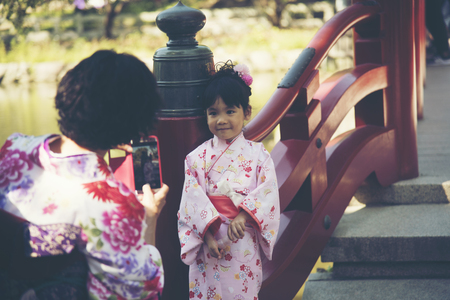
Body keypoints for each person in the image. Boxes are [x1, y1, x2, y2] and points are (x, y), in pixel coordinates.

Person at [0, 50, 169, 299]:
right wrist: (150, 217)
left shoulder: (14, 148)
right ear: (135, 123)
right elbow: (141, 290)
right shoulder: (113, 204)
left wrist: (112, 139)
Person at [177, 61, 280, 299]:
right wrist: (208, 235)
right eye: (213, 112)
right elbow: (191, 202)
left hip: (242, 237)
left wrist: (243, 216)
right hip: (208, 240)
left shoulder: (258, 155)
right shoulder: (196, 158)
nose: (221, 119)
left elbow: (268, 193)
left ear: (247, 112)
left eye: (230, 111)